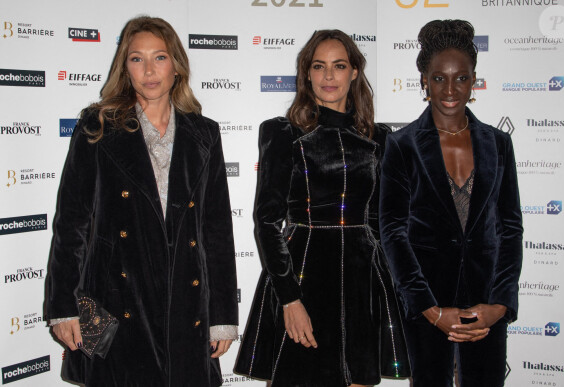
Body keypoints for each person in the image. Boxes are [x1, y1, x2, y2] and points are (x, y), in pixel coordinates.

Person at [45, 16, 238, 386]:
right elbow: (71, 224)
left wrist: (222, 315)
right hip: (114, 300)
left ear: (177, 66)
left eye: (160, 57)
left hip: (186, 302)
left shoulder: (205, 133)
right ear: (125, 67)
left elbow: (216, 230)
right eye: (137, 59)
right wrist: (64, 307)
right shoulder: (98, 126)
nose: (149, 70)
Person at [235, 30, 410, 386]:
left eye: (339, 66)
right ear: (307, 74)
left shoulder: (381, 138)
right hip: (302, 276)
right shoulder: (282, 133)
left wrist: (392, 289)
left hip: (363, 280)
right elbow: (266, 222)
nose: (329, 76)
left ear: (354, 72)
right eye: (319, 66)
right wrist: (289, 300)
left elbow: (382, 222)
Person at [379, 19, 523, 387]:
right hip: (429, 303)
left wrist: (500, 306)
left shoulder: (498, 143)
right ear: (424, 81)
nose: (450, 88)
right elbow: (392, 232)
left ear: (474, 80)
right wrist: (429, 309)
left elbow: (510, 229)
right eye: (439, 77)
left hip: (485, 301)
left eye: (461, 77)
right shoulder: (402, 145)